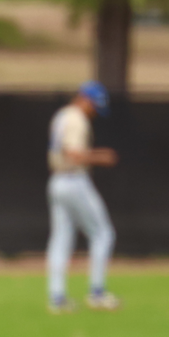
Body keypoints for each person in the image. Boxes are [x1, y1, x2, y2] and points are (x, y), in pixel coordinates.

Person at [46, 80, 121, 314]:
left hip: (57, 180)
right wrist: (101, 156)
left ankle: (57, 297)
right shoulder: (76, 119)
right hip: (73, 180)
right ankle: (97, 293)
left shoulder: (61, 116)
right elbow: (73, 153)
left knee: (61, 239)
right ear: (84, 98)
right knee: (103, 233)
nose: (95, 112)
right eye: (94, 106)